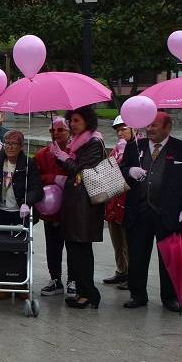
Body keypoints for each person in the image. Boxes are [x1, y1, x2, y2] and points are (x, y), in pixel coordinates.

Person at [121, 111, 182, 313]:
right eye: (148, 125)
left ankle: (170, 297)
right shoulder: (135, 147)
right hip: (140, 210)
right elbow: (122, 169)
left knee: (169, 256)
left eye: (155, 125)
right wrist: (129, 171)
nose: (149, 129)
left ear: (167, 127)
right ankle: (137, 294)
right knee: (137, 255)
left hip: (169, 212)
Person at [53, 106, 106, 310]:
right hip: (75, 204)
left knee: (81, 250)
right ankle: (84, 291)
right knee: (75, 250)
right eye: (71, 121)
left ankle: (89, 293)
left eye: (76, 120)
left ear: (87, 121)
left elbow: (82, 174)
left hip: (85, 206)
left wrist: (64, 157)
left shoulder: (93, 142)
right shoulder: (78, 143)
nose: (72, 125)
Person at [34, 117, 74, 298]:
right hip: (50, 208)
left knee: (74, 246)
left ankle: (73, 279)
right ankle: (55, 279)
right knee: (53, 246)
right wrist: (52, 178)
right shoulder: (42, 154)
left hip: (73, 207)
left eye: (60, 130)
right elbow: (36, 178)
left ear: (69, 132)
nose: (56, 134)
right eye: (53, 131)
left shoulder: (75, 152)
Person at [0, 130, 43, 226]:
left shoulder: (28, 163)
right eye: (7, 143)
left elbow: (36, 189)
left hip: (20, 212)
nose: (10, 147)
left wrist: (27, 202)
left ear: (21, 146)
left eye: (14, 143)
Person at [104, 116, 133, 287]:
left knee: (128, 242)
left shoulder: (137, 148)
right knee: (117, 241)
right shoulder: (116, 149)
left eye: (124, 129)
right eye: (118, 130)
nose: (120, 133)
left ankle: (132, 274)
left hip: (127, 202)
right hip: (113, 202)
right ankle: (121, 271)